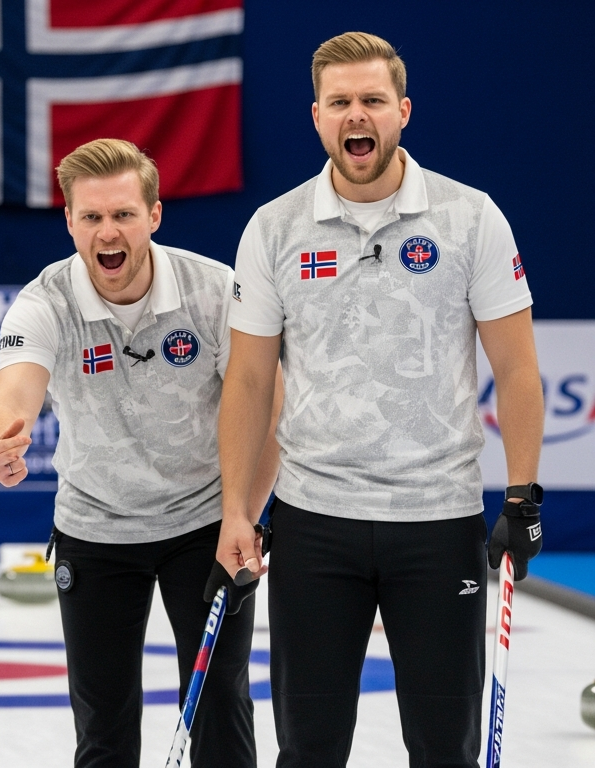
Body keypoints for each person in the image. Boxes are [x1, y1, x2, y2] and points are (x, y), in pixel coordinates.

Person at [218, 32, 544, 767]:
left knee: (444, 751)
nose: (355, 115)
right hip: (313, 526)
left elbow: (518, 370)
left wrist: (523, 499)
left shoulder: (471, 217)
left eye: (371, 100)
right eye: (339, 102)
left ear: (402, 111)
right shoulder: (274, 227)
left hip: (438, 522)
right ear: (316, 117)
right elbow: (247, 380)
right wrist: (236, 510)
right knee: (307, 750)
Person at [0, 138, 281, 768]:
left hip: (205, 524)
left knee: (220, 704)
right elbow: (15, 388)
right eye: (90, 217)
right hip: (96, 528)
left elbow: (269, 409)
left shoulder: (214, 290)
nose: (107, 232)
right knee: (103, 718)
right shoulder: (44, 302)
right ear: (69, 221)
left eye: (123, 215)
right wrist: (3, 436)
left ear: (155, 215)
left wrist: (243, 516)